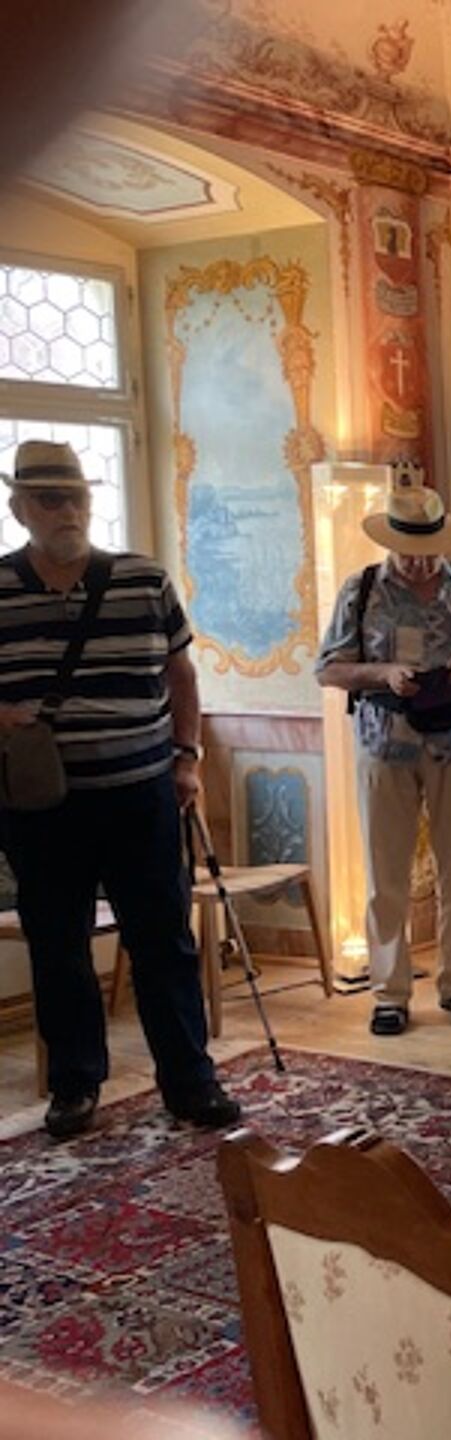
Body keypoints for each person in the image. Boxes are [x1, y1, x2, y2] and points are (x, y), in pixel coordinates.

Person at [0, 439, 240, 1137]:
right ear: (19, 508)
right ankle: (75, 1086)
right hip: (43, 803)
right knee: (59, 945)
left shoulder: (143, 579)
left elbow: (181, 676)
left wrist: (188, 758)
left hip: (140, 792)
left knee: (163, 940)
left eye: (76, 498)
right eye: (50, 500)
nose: (67, 512)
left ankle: (190, 1081)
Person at [315, 480, 451, 1038]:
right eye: (410, 552)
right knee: (386, 873)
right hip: (385, 741)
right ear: (391, 543)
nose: (421, 563)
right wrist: (383, 674)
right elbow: (328, 668)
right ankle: (389, 992)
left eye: (430, 551)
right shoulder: (361, 590)